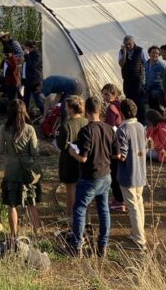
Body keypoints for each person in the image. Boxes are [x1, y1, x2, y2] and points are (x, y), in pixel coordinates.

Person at [66, 96, 117, 257]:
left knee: (79, 209)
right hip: (106, 174)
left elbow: (83, 158)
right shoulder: (109, 128)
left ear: (87, 112)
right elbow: (116, 153)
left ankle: (77, 245)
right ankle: (102, 245)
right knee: (103, 209)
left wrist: (73, 153)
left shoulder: (86, 131)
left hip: (90, 176)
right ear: (100, 110)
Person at [0, 99, 42, 239]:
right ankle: (37, 233)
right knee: (31, 203)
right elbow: (35, 152)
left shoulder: (4, 128)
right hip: (28, 169)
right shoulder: (30, 129)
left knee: (12, 204)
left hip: (11, 169)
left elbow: (0, 150)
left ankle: (14, 234)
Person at [116, 99, 147, 251]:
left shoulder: (122, 129)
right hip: (140, 171)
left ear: (122, 113)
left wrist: (111, 153)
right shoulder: (140, 126)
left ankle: (140, 240)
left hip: (128, 172)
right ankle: (138, 232)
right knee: (139, 203)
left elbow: (122, 155)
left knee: (132, 206)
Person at [56, 95, 88, 221]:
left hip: (69, 160)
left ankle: (70, 215)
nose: (65, 109)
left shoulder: (66, 125)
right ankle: (83, 214)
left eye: (66, 107)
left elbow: (61, 145)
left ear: (71, 109)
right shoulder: (86, 122)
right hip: (84, 159)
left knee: (70, 189)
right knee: (84, 189)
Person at [101, 83, 125, 212]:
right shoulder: (119, 105)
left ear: (114, 94)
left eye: (107, 94)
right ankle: (121, 199)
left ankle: (119, 201)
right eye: (103, 94)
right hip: (122, 142)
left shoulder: (111, 108)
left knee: (114, 173)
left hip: (114, 144)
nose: (104, 97)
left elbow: (111, 128)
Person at [118, 35, 149, 125]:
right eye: (126, 44)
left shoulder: (140, 50)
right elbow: (121, 64)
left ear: (133, 43)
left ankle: (142, 123)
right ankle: (132, 122)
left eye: (130, 44)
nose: (128, 46)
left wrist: (145, 79)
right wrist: (124, 52)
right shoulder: (121, 52)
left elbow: (146, 64)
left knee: (139, 103)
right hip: (127, 82)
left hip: (138, 81)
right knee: (130, 103)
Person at [22, 41, 43, 113]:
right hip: (28, 80)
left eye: (26, 47)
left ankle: (44, 114)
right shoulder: (29, 55)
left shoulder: (37, 55)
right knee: (25, 100)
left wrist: (27, 56)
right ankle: (25, 115)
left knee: (37, 100)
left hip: (35, 81)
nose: (24, 49)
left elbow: (32, 66)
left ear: (29, 47)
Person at [144, 46, 165, 114]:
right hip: (148, 92)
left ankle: (163, 124)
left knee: (160, 111)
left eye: (157, 53)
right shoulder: (146, 64)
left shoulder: (161, 65)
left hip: (158, 93)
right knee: (152, 112)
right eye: (153, 53)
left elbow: (165, 78)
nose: (155, 55)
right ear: (149, 54)